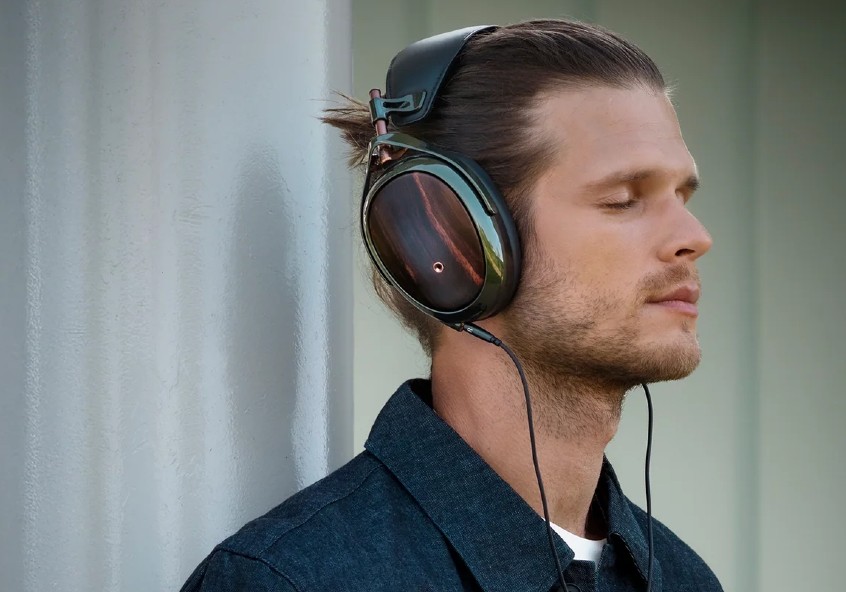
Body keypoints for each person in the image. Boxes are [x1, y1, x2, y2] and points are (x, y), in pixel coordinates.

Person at [181, 19, 720, 592]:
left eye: (682, 197)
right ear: (449, 240)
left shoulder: (685, 580)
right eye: (622, 199)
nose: (695, 235)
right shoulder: (294, 581)